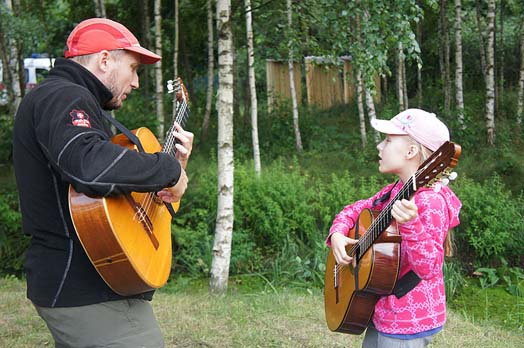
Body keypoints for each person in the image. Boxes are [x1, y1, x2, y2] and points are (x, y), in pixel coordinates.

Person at [12, 18, 193, 348]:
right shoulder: (65, 97)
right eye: (134, 68)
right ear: (105, 59)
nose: (136, 82)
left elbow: (104, 191)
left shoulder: (69, 98)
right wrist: (165, 167)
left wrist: (173, 173)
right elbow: (89, 166)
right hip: (84, 287)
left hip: (94, 280)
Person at [326, 109, 462, 348]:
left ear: (411, 151)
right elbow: (354, 209)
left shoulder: (430, 201)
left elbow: (429, 267)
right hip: (381, 308)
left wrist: (411, 224)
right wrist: (338, 233)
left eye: (388, 140)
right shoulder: (395, 190)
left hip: (408, 319)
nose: (380, 146)